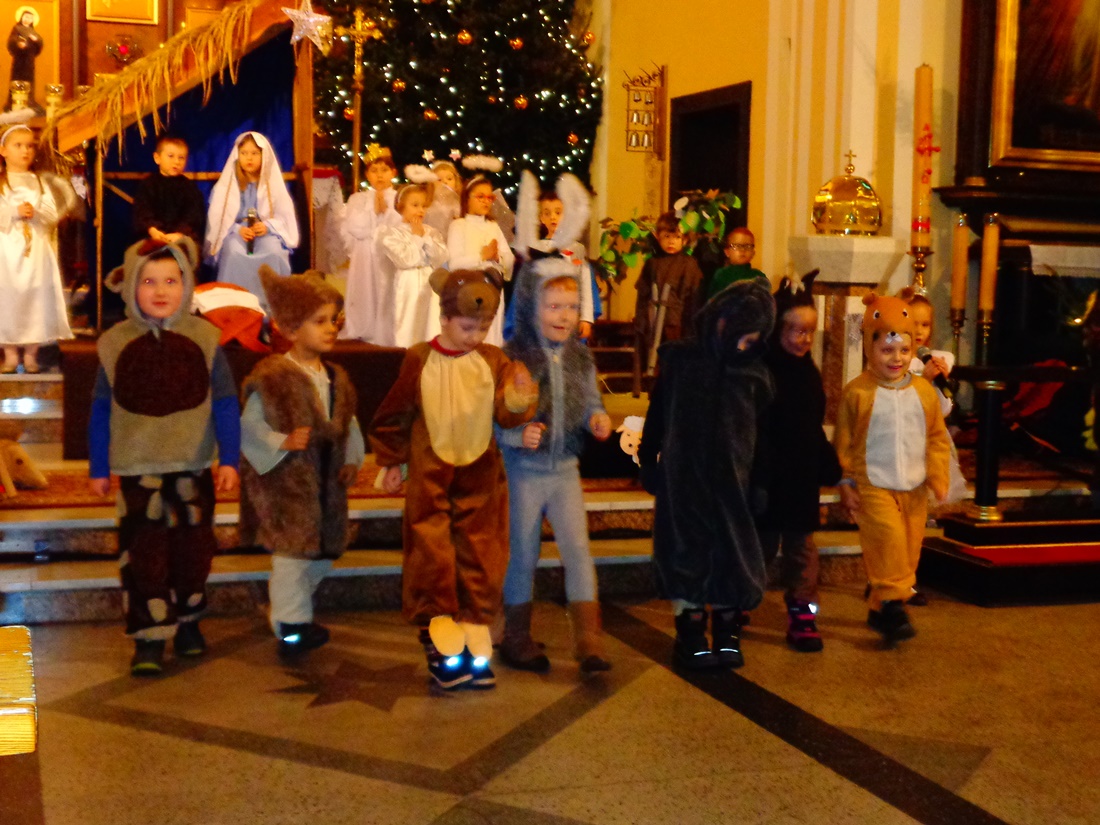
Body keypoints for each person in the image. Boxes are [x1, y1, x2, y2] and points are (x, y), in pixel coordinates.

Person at [369, 267, 537, 691]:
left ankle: (473, 623)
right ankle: (439, 634)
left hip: (480, 476)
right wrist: (392, 461)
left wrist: (518, 399)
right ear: (444, 319)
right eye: (466, 327)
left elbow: (506, 412)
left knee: (480, 548)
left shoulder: (494, 360)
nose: (475, 336)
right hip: (431, 475)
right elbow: (395, 413)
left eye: (482, 327)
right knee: (432, 549)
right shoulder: (419, 358)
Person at [88, 237, 241, 675]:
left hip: (193, 465)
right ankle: (149, 635)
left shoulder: (205, 338)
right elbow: (100, 409)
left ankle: (189, 620)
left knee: (194, 552)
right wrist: (99, 466)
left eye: (171, 281)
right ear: (129, 286)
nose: (160, 291)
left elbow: (225, 402)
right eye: (149, 281)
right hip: (139, 470)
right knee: (144, 556)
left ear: (187, 283)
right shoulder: (115, 342)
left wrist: (229, 459)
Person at [638, 279, 776, 670]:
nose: (744, 347)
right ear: (720, 321)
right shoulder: (681, 361)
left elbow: (764, 435)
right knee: (687, 555)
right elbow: (658, 413)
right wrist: (649, 459)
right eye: (742, 337)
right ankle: (691, 633)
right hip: (684, 482)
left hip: (733, 485)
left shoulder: (753, 373)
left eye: (752, 341)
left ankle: (728, 632)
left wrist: (761, 482)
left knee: (733, 556)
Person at [498, 244, 613, 674]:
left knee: (578, 550)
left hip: (566, 470)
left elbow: (591, 401)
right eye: (553, 306)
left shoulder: (581, 357)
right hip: (524, 473)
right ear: (531, 308)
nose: (564, 316)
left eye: (571, 306)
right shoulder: (513, 357)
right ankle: (515, 635)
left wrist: (596, 418)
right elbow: (495, 417)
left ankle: (588, 639)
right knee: (522, 553)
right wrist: (515, 434)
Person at [238, 268, 364, 658]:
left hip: (327, 483)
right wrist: (282, 441)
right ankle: (293, 626)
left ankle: (283, 609)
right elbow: (250, 428)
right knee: (292, 557)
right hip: (288, 486)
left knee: (322, 553)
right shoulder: (273, 377)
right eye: (319, 321)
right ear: (292, 328)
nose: (331, 329)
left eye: (333, 320)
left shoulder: (337, 378)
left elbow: (348, 422)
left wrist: (352, 458)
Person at [833, 291, 951, 644]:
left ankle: (878, 607)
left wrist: (938, 474)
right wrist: (845, 481)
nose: (897, 358)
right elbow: (844, 442)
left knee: (909, 549)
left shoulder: (924, 392)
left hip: (914, 486)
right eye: (887, 350)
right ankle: (892, 606)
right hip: (873, 485)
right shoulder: (857, 392)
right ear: (869, 348)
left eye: (904, 350)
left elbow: (936, 437)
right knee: (888, 541)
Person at [755, 270, 841, 652]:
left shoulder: (809, 373)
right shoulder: (763, 370)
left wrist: (832, 468)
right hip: (768, 477)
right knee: (758, 548)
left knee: (803, 553)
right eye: (796, 331)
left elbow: (812, 426)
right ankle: (736, 602)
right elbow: (756, 426)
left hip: (801, 481)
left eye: (810, 332)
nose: (804, 339)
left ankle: (803, 614)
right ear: (777, 329)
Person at [0, 120, 75, 373]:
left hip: (34, 251)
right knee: (7, 297)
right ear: (3, 150)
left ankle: (31, 354)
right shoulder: (1, 182)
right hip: (6, 250)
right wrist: (13, 211)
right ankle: (10, 354)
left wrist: (37, 213)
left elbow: (51, 213)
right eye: (18, 145)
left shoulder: (39, 182)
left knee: (35, 297)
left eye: (30, 146)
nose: (25, 151)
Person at [205, 131, 299, 312]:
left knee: (274, 252)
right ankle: (234, 307)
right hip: (236, 232)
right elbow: (219, 217)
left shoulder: (272, 185)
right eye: (244, 153)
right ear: (237, 155)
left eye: (255, 153)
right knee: (233, 253)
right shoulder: (228, 186)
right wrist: (236, 228)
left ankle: (271, 309)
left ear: (264, 156)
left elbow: (284, 215)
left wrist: (268, 226)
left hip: (264, 231)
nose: (249, 158)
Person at [507, 171, 599, 341]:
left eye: (558, 212)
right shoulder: (535, 248)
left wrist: (586, 318)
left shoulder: (576, 249)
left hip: (568, 315)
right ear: (541, 217)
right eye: (547, 213)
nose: (553, 218)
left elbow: (585, 283)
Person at [376, 176, 449, 347]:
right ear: (401, 206)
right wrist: (417, 238)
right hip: (407, 283)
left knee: (431, 322)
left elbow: (440, 257)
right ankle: (405, 351)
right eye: (415, 205)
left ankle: (430, 353)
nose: (420, 210)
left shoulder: (431, 232)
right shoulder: (391, 233)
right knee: (408, 323)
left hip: (429, 283)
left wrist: (425, 238)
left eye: (424, 206)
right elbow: (406, 260)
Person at [341, 144, 400, 343]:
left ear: (393, 172)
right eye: (374, 170)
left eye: (384, 170)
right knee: (365, 290)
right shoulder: (357, 198)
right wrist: (373, 211)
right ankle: (362, 326)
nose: (379, 175)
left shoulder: (400, 197)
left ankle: (387, 329)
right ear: (367, 174)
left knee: (387, 289)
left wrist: (387, 212)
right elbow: (355, 227)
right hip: (365, 252)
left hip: (389, 252)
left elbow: (402, 225)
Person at [447, 174, 514, 346]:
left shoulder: (493, 226)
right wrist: (481, 257)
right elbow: (454, 264)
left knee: (491, 339)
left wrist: (497, 257)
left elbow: (509, 260)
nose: (486, 201)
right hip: (469, 291)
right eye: (480, 196)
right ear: (467, 199)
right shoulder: (458, 225)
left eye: (489, 197)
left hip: (492, 288)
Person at [633, 211, 703, 373]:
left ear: (685, 239)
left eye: (677, 237)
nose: (671, 241)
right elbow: (643, 296)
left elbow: (694, 299)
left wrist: (691, 328)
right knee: (654, 363)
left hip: (677, 324)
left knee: (675, 364)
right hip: (653, 323)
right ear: (658, 237)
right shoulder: (652, 264)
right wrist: (641, 322)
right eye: (667, 236)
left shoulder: (689, 264)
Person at [132, 135, 206, 251]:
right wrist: (153, 230)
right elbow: (142, 212)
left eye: (181, 158)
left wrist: (180, 233)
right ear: (157, 158)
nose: (176, 162)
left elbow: (194, 216)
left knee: (187, 248)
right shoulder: (147, 185)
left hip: (181, 237)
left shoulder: (190, 188)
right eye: (171, 156)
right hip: (151, 236)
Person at [707, 227, 767, 298]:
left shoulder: (759, 276)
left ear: (753, 253)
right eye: (737, 246)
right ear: (727, 252)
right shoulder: (722, 275)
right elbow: (713, 301)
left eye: (748, 246)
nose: (743, 250)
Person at [7, 8, 42, 114]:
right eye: (26, 17)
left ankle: (29, 101)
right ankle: (13, 102)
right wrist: (18, 43)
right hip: (19, 60)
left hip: (29, 60)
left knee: (29, 80)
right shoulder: (17, 28)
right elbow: (11, 41)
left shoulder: (33, 32)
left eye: (30, 18)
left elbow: (39, 44)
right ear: (22, 17)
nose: (27, 19)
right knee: (17, 79)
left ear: (32, 20)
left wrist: (36, 40)